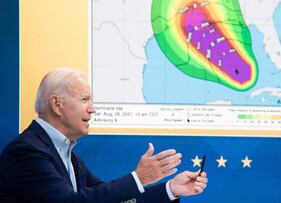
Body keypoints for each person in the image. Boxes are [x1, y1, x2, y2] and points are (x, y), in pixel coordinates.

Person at [0, 68, 208, 203]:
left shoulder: (69, 156)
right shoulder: (27, 151)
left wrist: (171, 189)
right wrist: (139, 178)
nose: (92, 109)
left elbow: (114, 200)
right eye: (84, 100)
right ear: (57, 105)